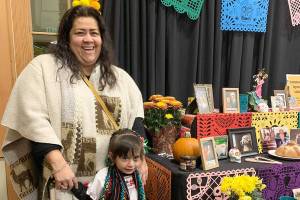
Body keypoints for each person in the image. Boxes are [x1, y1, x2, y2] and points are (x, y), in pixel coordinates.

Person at [1, 4, 147, 200]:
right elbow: (33, 123)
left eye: (94, 33)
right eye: (80, 33)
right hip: (66, 184)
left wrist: (142, 160)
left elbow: (136, 122)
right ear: (67, 38)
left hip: (112, 186)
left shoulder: (120, 78)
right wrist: (58, 165)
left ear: (101, 39)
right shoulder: (43, 69)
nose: (88, 39)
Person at [72, 129, 146, 200]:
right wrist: (74, 187)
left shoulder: (138, 175)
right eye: (125, 158)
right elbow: (90, 197)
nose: (131, 164)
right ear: (112, 156)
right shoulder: (104, 176)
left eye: (135, 158)